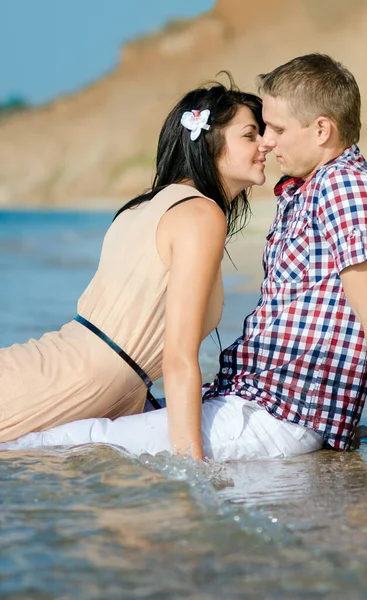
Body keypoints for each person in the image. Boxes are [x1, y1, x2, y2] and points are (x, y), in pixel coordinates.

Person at [2, 55, 367, 465]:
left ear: (322, 130)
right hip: (255, 396)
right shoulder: (297, 194)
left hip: (277, 405)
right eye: (256, 132)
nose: (268, 143)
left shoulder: (343, 189)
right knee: (63, 451)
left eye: (275, 130)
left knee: (60, 449)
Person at [0, 77, 268, 460]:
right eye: (250, 134)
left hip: (65, 370)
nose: (266, 144)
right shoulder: (199, 214)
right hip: (68, 383)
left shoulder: (144, 206)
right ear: (210, 143)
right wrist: (192, 471)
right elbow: (177, 357)